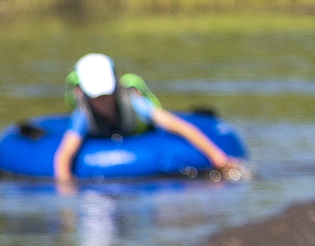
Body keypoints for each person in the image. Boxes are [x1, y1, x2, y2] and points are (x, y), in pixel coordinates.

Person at [51, 51, 243, 185]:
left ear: (116, 87)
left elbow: (178, 126)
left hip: (142, 132)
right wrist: (67, 186)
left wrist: (217, 157)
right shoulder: (83, 116)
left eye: (106, 95)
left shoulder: (133, 103)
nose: (103, 102)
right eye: (97, 98)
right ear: (82, 93)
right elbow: (65, 154)